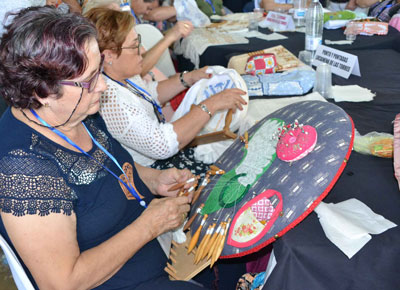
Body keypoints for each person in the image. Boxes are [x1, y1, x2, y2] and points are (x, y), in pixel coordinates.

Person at [0, 6, 207, 289]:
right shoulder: (24, 169)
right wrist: (148, 226)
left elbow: (106, 167)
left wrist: (154, 179)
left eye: (100, 72)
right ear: (41, 91)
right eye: (89, 80)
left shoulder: (77, 110)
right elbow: (62, 282)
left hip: (154, 254)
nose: (103, 87)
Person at [85, 7, 247, 176]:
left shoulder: (118, 75)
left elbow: (149, 93)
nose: (143, 50)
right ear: (109, 56)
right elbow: (162, 145)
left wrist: (188, 78)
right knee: (236, 166)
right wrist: (211, 104)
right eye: (135, 46)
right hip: (156, 173)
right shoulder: (109, 100)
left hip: (164, 157)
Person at [83, 0, 193, 79]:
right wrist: (170, 37)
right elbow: (138, 68)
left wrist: (182, 80)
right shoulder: (105, 6)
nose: (148, 11)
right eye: (148, 5)